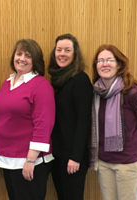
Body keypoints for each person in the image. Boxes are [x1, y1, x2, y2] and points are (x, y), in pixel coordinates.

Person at [89, 44, 137, 200]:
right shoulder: (97, 93)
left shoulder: (133, 92)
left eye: (109, 60)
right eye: (100, 61)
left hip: (130, 163)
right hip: (105, 163)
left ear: (119, 64)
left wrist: (134, 146)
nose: (104, 64)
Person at [0, 39, 55, 200]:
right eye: (19, 53)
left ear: (36, 61)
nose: (22, 58)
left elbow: (44, 124)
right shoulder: (7, 83)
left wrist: (30, 159)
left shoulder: (41, 85)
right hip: (8, 157)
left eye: (28, 56)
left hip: (29, 160)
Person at [48, 34, 92, 200]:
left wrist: (76, 157)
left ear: (75, 54)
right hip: (57, 154)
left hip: (73, 157)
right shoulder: (56, 81)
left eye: (67, 50)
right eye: (59, 50)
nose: (62, 54)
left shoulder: (80, 80)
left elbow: (84, 122)